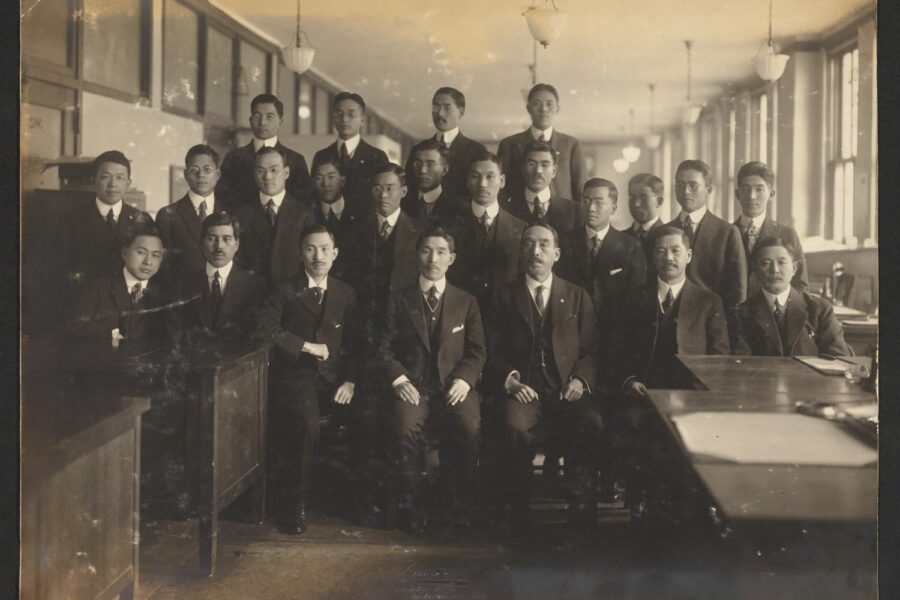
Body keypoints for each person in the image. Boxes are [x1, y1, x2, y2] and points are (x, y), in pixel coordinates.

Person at [488, 223, 602, 527]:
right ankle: (518, 516)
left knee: (590, 424)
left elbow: (591, 350)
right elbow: (490, 351)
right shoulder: (503, 298)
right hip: (525, 392)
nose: (536, 251)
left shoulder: (577, 296)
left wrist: (579, 379)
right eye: (528, 244)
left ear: (557, 253)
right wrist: (510, 380)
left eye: (543, 245)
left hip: (567, 391)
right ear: (521, 251)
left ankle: (581, 517)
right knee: (514, 427)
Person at [380, 226, 486, 532]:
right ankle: (414, 508)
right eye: (426, 251)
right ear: (417, 256)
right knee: (404, 428)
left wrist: (465, 380)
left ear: (451, 258)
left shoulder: (467, 301)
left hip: (454, 386)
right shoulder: (398, 300)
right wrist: (399, 380)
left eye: (441, 252)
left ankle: (457, 508)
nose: (433, 259)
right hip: (414, 387)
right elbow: (383, 348)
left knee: (468, 428)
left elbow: (478, 351)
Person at [259, 224, 363, 534]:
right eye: (310, 249)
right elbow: (265, 327)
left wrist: (351, 381)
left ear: (335, 253)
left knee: (371, 415)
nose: (318, 256)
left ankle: (354, 503)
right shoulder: (283, 288)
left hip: (335, 379)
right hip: (295, 377)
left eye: (324, 249)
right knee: (305, 424)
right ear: (300, 253)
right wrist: (304, 346)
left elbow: (357, 342)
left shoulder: (346, 292)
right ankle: (295, 505)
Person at [618, 227, 730, 396]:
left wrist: (697, 390)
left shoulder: (709, 301)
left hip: (692, 394)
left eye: (676, 251)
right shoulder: (634, 298)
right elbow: (620, 347)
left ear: (689, 256)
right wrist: (630, 381)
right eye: (661, 251)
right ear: (654, 257)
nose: (668, 258)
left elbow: (719, 355)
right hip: (643, 392)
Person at [559, 178, 646, 358]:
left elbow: (636, 299)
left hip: (614, 339)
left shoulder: (631, 246)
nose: (591, 208)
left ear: (613, 208)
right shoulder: (564, 242)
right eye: (586, 201)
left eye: (599, 202)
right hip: (571, 336)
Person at [447, 152, 527, 329]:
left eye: (490, 176)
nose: (483, 184)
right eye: (476, 176)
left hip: (506, 322)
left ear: (503, 181)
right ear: (468, 181)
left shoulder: (521, 229)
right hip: (460, 320)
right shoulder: (449, 227)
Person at [731, 238, 850, 357]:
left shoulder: (819, 309)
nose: (774, 270)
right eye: (765, 263)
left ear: (794, 268)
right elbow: (742, 365)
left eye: (781, 262)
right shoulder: (741, 314)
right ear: (755, 270)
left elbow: (838, 359)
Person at [57, 150, 151, 291]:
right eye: (105, 177)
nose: (113, 184)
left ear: (128, 183)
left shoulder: (142, 220)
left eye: (120, 178)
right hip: (86, 305)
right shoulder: (70, 222)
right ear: (93, 180)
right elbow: (59, 274)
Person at [66, 222, 172, 346]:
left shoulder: (168, 293)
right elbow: (75, 326)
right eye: (141, 252)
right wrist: (112, 336)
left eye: (155, 255)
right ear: (124, 253)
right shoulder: (96, 286)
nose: (148, 261)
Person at [666, 159, 747, 320]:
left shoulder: (727, 232)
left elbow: (737, 291)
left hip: (711, 322)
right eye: (680, 185)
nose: (686, 191)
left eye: (693, 185)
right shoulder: (664, 232)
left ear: (708, 189)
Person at [169, 213, 266, 345]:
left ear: (236, 245)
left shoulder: (255, 285)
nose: (219, 246)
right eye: (212, 238)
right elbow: (176, 337)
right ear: (201, 243)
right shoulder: (183, 286)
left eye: (226, 239)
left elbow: (256, 337)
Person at [345, 164, 424, 313]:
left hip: (405, 316)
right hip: (365, 315)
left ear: (404, 191)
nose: (383, 195)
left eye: (389, 188)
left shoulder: (420, 231)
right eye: (378, 188)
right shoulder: (356, 231)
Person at [234, 146, 314, 285]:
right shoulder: (241, 214)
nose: (267, 177)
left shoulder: (304, 213)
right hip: (251, 295)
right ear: (254, 174)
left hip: (292, 295)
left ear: (286, 172)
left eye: (274, 170)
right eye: (261, 171)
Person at [217, 93, 312, 210]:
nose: (262, 122)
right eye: (257, 116)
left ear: (280, 122)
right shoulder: (234, 158)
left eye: (269, 117)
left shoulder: (295, 159)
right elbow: (222, 198)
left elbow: (303, 202)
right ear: (251, 120)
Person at [497, 83, 588, 203]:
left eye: (549, 104)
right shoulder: (509, 144)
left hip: (562, 215)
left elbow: (581, 190)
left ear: (557, 108)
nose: (543, 109)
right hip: (519, 215)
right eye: (537, 104)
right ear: (528, 108)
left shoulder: (572, 145)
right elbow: (501, 188)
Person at [733, 161, 808, 291]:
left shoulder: (787, 234)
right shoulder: (725, 233)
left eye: (759, 189)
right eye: (745, 189)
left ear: (771, 194)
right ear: (737, 194)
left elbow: (800, 285)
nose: (752, 196)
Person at [312, 92, 390, 214]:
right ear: (333, 118)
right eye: (339, 114)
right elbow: (315, 196)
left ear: (362, 120)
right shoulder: (322, 155)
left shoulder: (377, 157)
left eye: (351, 114)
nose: (344, 119)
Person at [404, 87, 487, 200]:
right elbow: (409, 189)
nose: (440, 113)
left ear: (461, 112)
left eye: (447, 108)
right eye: (436, 107)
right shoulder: (417, 150)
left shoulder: (477, 150)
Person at [156, 145, 225, 279]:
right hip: (183, 293)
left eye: (207, 169)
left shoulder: (231, 213)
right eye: (194, 170)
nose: (201, 175)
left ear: (217, 174)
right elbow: (163, 266)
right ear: (186, 175)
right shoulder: (167, 215)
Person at [502, 141, 581, 234]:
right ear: (522, 169)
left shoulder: (574, 211)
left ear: (554, 171)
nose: (538, 171)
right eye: (532, 164)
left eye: (545, 165)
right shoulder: (505, 208)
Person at [309, 156, 360, 281]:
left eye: (331, 177)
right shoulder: (307, 214)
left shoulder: (360, 213)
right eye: (319, 178)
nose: (326, 183)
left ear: (342, 180)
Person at [401, 140, 463, 225]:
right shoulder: (401, 202)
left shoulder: (459, 209)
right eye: (418, 164)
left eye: (430, 164)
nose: (422, 171)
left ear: (444, 170)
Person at [625, 173, 666, 280]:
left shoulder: (669, 236)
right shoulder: (619, 238)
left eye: (644, 197)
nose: (636, 204)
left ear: (659, 201)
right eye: (632, 197)